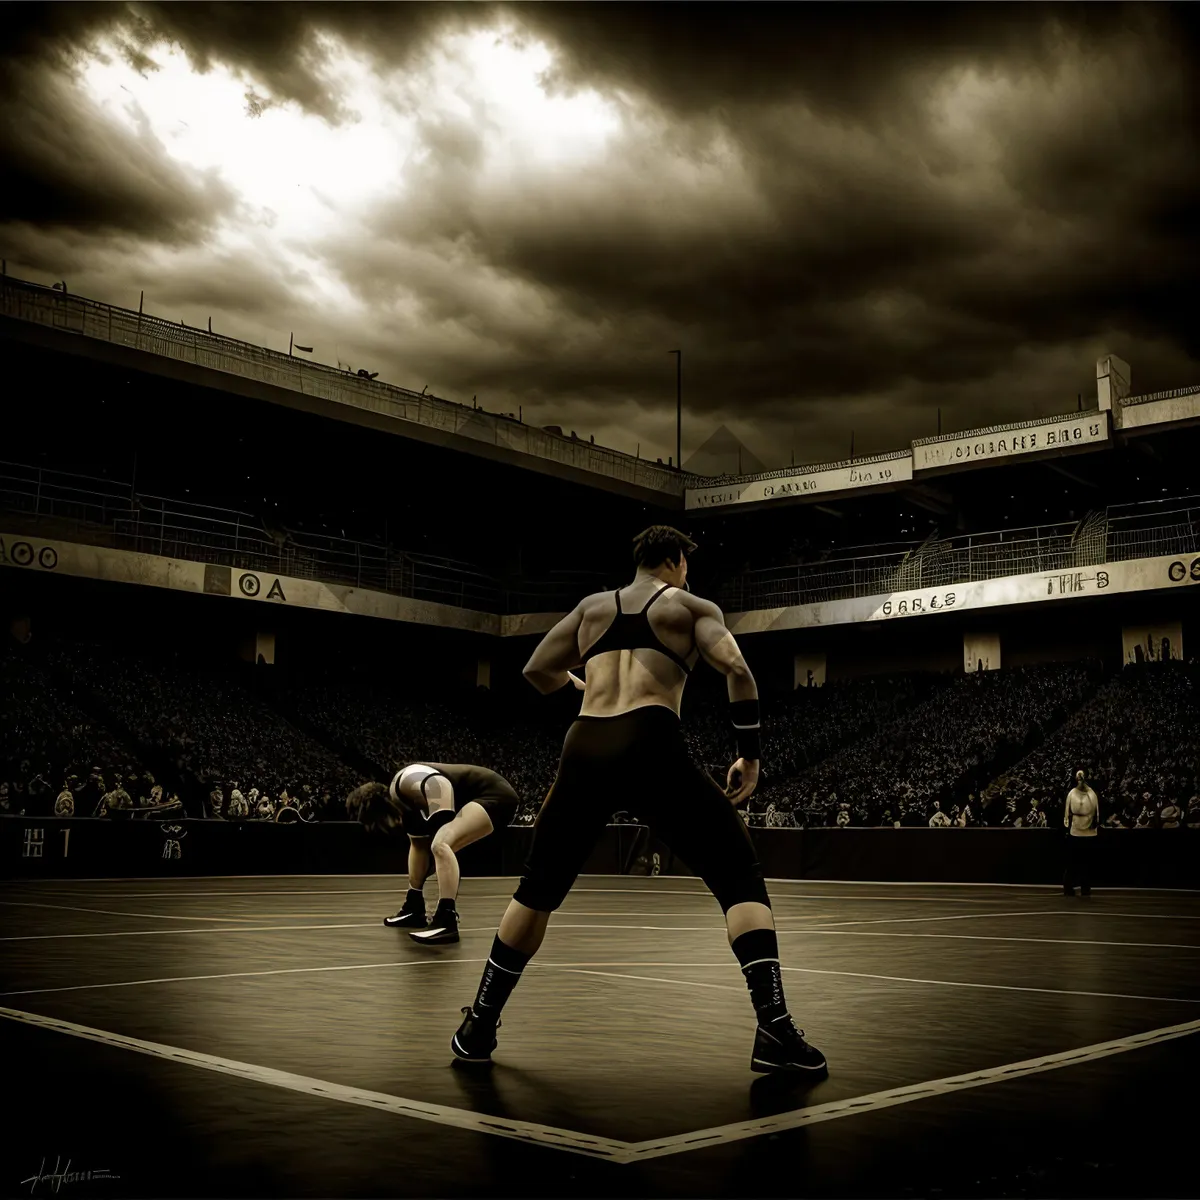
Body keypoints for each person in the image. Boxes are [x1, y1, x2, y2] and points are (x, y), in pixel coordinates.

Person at [450, 524, 827, 1076]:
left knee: (537, 890)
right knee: (738, 875)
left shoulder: (592, 608)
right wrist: (749, 755)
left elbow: (535, 669)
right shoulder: (691, 607)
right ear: (675, 561)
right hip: (651, 742)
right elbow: (738, 671)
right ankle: (774, 1031)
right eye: (686, 566)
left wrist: (581, 690)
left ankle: (479, 1026)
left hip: (584, 744)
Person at [346, 762, 520, 945]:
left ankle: (446, 919)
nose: (387, 827)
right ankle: (413, 908)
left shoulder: (407, 779)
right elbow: (418, 847)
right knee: (421, 844)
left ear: (380, 807)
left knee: (441, 843)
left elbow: (438, 784)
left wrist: (441, 838)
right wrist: (415, 892)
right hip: (469, 797)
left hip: (494, 794)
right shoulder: (405, 805)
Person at [1063, 769, 1100, 897]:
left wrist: (1095, 826)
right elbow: (1067, 814)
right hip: (1075, 833)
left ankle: (1085, 888)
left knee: (1086, 864)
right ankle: (1069, 887)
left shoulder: (1092, 794)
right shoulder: (1072, 793)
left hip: (1088, 834)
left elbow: (1096, 814)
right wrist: (1067, 828)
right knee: (1073, 863)